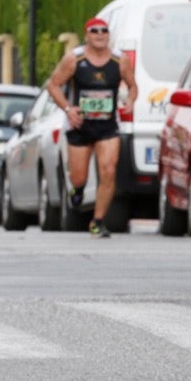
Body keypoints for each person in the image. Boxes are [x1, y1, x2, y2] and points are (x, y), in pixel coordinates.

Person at [43, 18, 138, 238]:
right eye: (94, 31)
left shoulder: (119, 60)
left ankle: (97, 221)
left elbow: (133, 86)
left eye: (104, 31)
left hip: (107, 126)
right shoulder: (74, 59)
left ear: (109, 35)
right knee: (79, 178)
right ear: (87, 35)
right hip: (80, 125)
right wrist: (68, 109)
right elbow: (53, 85)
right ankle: (76, 190)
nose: (100, 34)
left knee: (108, 170)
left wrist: (131, 101)